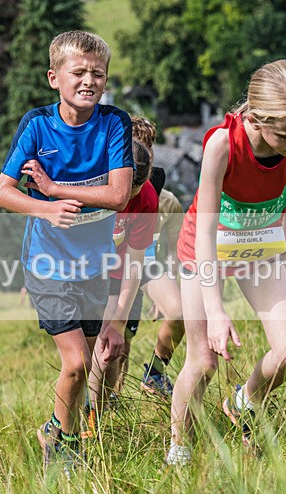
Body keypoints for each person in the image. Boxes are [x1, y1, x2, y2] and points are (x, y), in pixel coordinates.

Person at [166, 60, 286, 466]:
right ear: (255, 118)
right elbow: (205, 231)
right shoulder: (222, 145)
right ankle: (179, 451)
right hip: (205, 249)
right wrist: (216, 310)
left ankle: (244, 401)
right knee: (202, 362)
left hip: (260, 248)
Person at [0, 30, 133, 471]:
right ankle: (66, 446)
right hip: (48, 264)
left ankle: (55, 428)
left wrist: (55, 189)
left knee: (87, 364)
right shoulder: (37, 125)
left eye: (98, 73)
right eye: (79, 72)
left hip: (95, 265)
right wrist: (45, 208)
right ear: (54, 77)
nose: (89, 80)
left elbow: (119, 196)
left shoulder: (114, 123)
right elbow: (2, 193)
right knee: (75, 363)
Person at [86, 140, 157, 431]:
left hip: (116, 277)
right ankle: (76, 415)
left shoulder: (148, 199)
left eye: (133, 192)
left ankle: (94, 422)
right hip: (80, 273)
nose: (125, 199)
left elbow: (135, 264)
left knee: (108, 351)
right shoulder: (88, 183)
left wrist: (118, 320)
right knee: (82, 356)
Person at [125, 116, 186, 398]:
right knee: (120, 343)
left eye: (148, 146)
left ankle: (156, 373)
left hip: (147, 264)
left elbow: (174, 249)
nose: (144, 153)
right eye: (137, 145)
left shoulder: (167, 201)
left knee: (179, 311)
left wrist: (168, 286)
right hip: (114, 264)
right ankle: (108, 403)